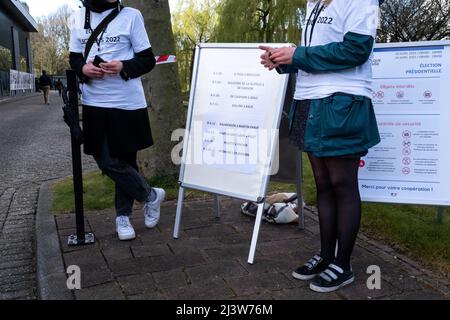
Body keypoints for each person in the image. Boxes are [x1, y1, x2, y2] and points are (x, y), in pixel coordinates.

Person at [260, 0, 384, 293]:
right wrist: (284, 60)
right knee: (324, 184)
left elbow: (356, 50)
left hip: (342, 102)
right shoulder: (314, 2)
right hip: (309, 100)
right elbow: (313, 54)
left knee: (343, 184)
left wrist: (297, 54)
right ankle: (326, 256)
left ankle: (344, 264)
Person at [69, 0, 165, 241]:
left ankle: (123, 218)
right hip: (94, 102)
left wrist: (123, 65)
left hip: (126, 102)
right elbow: (74, 58)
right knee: (104, 160)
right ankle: (151, 196)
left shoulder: (132, 16)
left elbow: (147, 60)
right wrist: (84, 69)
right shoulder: (77, 17)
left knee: (126, 159)